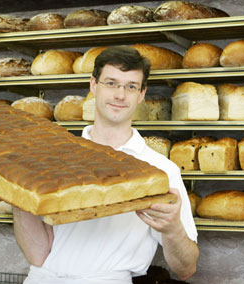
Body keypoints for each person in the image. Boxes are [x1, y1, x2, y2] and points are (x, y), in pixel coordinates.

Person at [13, 45, 199, 284]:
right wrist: (17, 199)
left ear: (141, 94)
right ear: (93, 85)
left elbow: (186, 269)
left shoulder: (160, 171)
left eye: (131, 86)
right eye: (111, 83)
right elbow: (38, 255)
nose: (120, 95)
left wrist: (172, 229)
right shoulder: (55, 160)